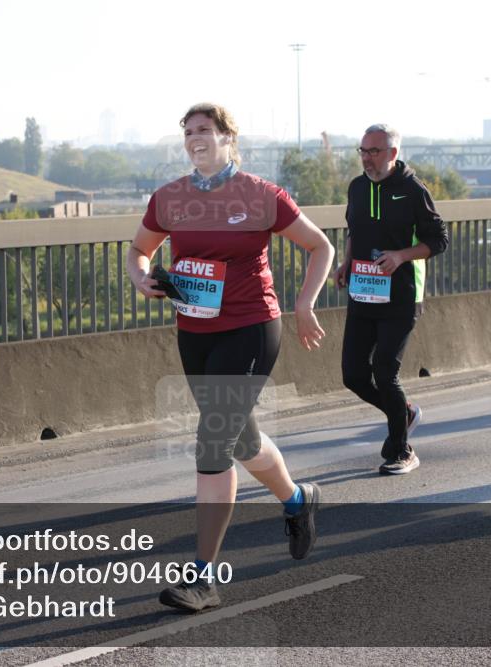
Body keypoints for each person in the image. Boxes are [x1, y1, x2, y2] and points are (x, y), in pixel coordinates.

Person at [128, 103, 335, 612]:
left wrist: (304, 304)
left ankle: (203, 576)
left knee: (212, 440)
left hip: (251, 326)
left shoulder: (260, 194)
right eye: (189, 132)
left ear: (227, 138)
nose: (196, 138)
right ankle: (297, 499)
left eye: (205, 130)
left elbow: (320, 246)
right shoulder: (171, 198)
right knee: (240, 439)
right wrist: (141, 279)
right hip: (194, 330)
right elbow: (139, 250)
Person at [333, 124, 449, 475]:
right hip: (363, 292)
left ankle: (401, 450)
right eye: (363, 151)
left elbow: (439, 240)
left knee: (385, 371)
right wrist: (346, 261)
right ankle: (405, 413)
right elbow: (355, 229)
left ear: (394, 153)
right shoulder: (356, 187)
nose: (367, 159)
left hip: (401, 295)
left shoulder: (413, 190)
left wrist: (400, 256)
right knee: (353, 375)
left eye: (375, 152)